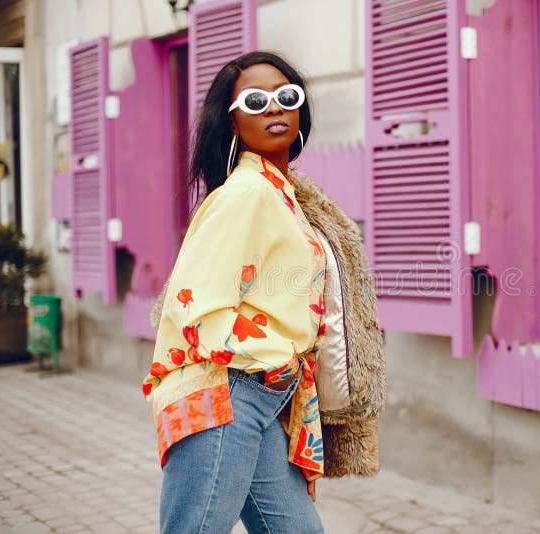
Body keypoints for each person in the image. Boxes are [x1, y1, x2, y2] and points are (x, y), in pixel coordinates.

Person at [142, 51, 385, 534]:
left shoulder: (282, 195)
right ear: (232, 122)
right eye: (255, 101)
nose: (274, 108)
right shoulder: (246, 193)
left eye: (286, 97)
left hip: (263, 398)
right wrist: (273, 361)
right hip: (228, 391)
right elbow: (195, 303)